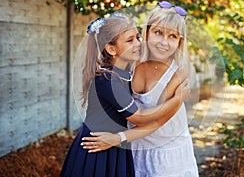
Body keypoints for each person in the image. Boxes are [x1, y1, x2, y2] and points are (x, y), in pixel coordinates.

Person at [60, 12, 190, 177]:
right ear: (112, 49)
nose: (138, 44)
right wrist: (177, 99)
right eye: (130, 40)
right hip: (100, 144)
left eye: (137, 37)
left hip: (121, 144)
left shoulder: (124, 69)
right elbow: (140, 117)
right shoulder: (109, 79)